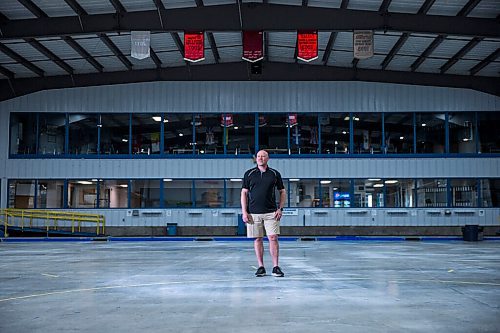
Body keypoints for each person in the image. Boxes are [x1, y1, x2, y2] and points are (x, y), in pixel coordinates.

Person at [241, 150, 286, 277]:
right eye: (259, 156)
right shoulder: (249, 174)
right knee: (258, 239)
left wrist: (280, 209)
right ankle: (261, 267)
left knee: (273, 238)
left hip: (271, 212)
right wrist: (244, 212)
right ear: (256, 159)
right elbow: (244, 193)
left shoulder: (274, 174)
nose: (261, 158)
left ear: (268, 158)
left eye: (263, 156)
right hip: (253, 213)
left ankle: (276, 267)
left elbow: (282, 191)